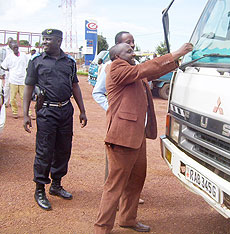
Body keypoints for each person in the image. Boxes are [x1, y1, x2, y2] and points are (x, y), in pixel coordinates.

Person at [94, 42, 193, 234]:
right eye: (128, 51)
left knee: (137, 180)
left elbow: (152, 72)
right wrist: (175, 53)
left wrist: (178, 61)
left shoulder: (133, 72)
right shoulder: (116, 68)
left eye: (133, 50)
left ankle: (127, 219)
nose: (133, 53)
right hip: (122, 138)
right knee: (115, 185)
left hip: (137, 136)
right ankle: (101, 228)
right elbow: (146, 68)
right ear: (117, 57)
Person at [23, 29, 87, 211]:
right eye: (43, 38)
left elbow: (75, 86)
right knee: (44, 150)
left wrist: (82, 110)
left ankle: (56, 185)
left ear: (59, 41)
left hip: (66, 110)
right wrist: (26, 114)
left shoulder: (70, 62)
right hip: (46, 111)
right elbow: (28, 87)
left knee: (63, 149)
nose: (44, 42)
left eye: (48, 39)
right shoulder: (36, 61)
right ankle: (40, 189)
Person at [92, 31, 144, 204]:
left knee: (134, 165)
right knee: (115, 168)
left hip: (137, 125)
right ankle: (113, 201)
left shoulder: (135, 64)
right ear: (117, 48)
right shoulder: (109, 67)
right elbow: (98, 93)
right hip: (120, 125)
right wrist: (114, 110)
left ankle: (127, 199)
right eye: (128, 43)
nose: (132, 46)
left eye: (133, 42)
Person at [1, 42, 30, 119]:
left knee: (24, 97)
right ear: (11, 49)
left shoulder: (24, 55)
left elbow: (29, 65)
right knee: (12, 98)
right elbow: (3, 66)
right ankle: (15, 112)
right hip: (13, 79)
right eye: (14, 48)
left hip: (22, 80)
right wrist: (9, 70)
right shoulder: (9, 57)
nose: (16, 49)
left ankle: (28, 113)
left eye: (17, 47)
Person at [1, 37, 14, 107]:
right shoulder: (4, 50)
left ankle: (12, 102)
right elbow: (1, 61)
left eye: (12, 42)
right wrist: (2, 72)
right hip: (7, 71)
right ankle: (5, 102)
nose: (11, 43)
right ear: (7, 42)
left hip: (14, 71)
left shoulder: (15, 49)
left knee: (13, 87)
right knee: (7, 86)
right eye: (10, 42)